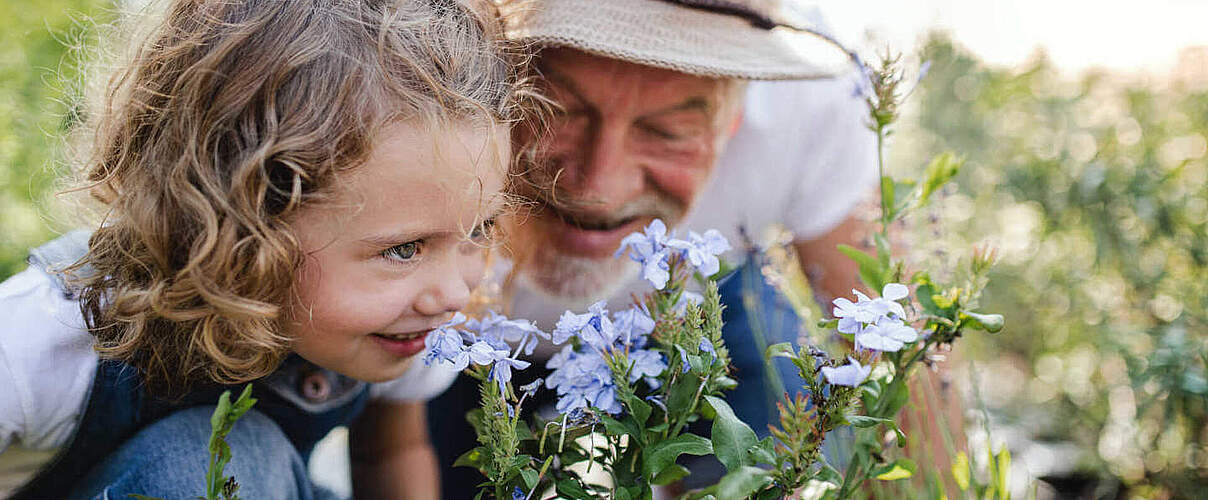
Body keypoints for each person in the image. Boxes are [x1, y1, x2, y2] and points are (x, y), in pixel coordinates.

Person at [0, 0, 529, 498]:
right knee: (218, 456)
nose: (454, 292)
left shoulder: (398, 327)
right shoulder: (52, 339)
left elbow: (392, 451)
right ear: (246, 223)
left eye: (478, 229)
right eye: (405, 249)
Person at [427, 0, 879, 495]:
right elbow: (387, 441)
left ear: (733, 118)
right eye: (555, 109)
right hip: (463, 342)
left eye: (667, 132)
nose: (600, 186)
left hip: (694, 311)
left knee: (781, 463)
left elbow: (887, 347)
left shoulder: (816, 107)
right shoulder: (414, 68)